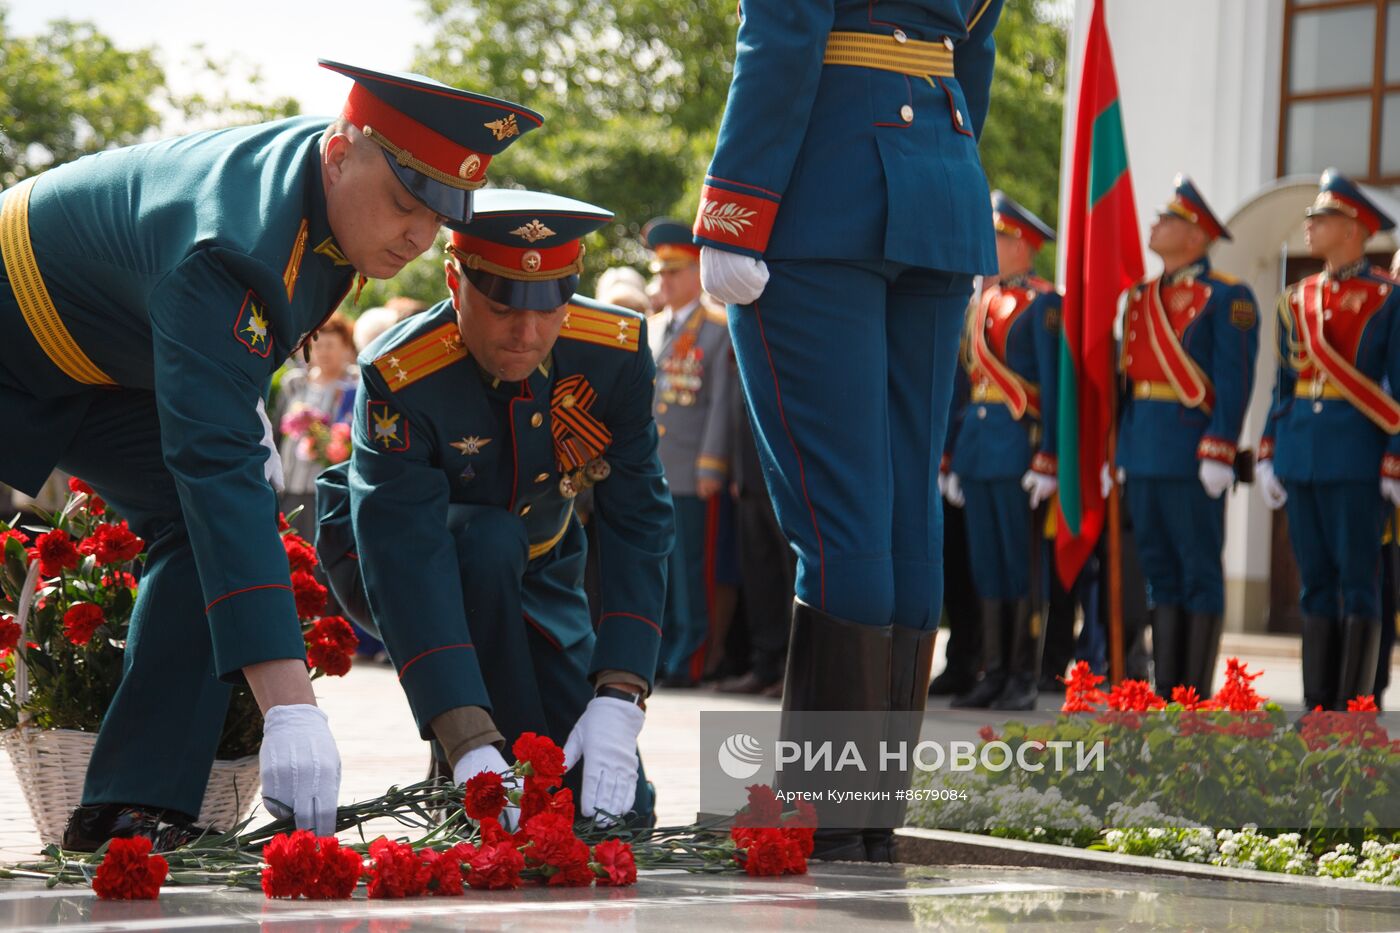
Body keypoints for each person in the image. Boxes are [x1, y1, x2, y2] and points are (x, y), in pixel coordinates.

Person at [0, 58, 540, 849]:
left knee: (200, 529)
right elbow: (216, 468)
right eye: (404, 203)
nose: (421, 237)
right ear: (339, 154)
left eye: (439, 216)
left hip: (101, 358)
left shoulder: (331, 202)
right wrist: (291, 705)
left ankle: (131, 805)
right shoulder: (234, 248)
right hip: (16, 318)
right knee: (217, 504)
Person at [694, 0, 1006, 861]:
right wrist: (941, 170)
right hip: (942, 176)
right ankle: (865, 812)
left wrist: (734, 204)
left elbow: (785, 31)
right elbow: (974, 52)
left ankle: (823, 814)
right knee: (903, 512)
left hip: (823, 183)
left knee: (840, 517)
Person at [315, 190, 672, 826]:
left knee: (617, 811)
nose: (527, 335)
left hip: (541, 560)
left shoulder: (613, 352)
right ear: (455, 283)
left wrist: (621, 695)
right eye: (502, 308)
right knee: (487, 543)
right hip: (399, 554)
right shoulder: (401, 372)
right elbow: (405, 549)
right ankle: (462, 762)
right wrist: (466, 738)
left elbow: (639, 518)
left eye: (550, 309)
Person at [1257, 169, 1400, 711]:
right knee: (1314, 583)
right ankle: (1318, 705)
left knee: (1359, 584)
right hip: (1302, 454)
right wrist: (1269, 449)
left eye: (1322, 218)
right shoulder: (1297, 298)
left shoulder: (1388, 298)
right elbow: (1283, 386)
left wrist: (1394, 459)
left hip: (1358, 457)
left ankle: (1355, 707)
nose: (1309, 225)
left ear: (1354, 228)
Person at [1115, 176, 1259, 699]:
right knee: (1158, 572)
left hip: (1193, 452)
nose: (1155, 225)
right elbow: (1129, 384)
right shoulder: (1140, 296)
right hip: (1143, 451)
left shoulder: (1228, 296)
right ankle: (1167, 691)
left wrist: (1220, 446)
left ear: (1196, 235)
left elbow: (1234, 379)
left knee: (1198, 570)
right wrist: (1120, 450)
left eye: (1168, 219)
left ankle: (1192, 697)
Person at [944, 191, 1060, 711]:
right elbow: (964, 388)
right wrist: (951, 456)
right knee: (986, 566)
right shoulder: (978, 305)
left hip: (1019, 449)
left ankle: (1022, 674)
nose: (986, 244)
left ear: (1021, 245)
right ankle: (993, 673)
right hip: (978, 449)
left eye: (995, 237)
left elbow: (1054, 387)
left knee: (1020, 567)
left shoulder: (1044, 303)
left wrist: (1049, 456)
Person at [645, 218, 734, 687]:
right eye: (661, 272)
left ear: (698, 271)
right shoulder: (652, 327)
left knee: (691, 570)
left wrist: (711, 464)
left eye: (675, 271)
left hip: (691, 468)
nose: (665, 280)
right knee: (658, 569)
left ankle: (691, 657)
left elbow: (720, 402)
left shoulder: (717, 329)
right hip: (654, 469)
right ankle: (661, 655)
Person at [275, 312, 358, 543]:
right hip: (290, 484)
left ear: (346, 347)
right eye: (317, 345)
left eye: (330, 345)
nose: (323, 352)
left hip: (329, 490)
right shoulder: (294, 383)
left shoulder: (354, 387)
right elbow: (276, 432)